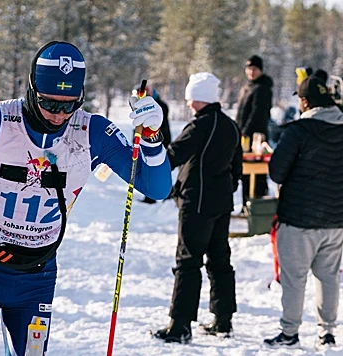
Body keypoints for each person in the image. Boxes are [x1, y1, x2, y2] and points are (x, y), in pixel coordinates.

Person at [0, 41, 172, 356]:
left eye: (69, 105)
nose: (58, 115)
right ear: (32, 89)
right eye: (49, 103)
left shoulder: (91, 132)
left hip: (36, 277)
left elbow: (157, 188)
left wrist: (152, 138)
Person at [264, 76, 343, 350]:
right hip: (337, 217)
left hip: (300, 218)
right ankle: (327, 332)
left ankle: (290, 333)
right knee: (329, 276)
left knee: (294, 278)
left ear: (305, 101)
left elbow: (276, 172)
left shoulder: (298, 131)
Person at [152, 72, 242, 344]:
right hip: (220, 203)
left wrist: (148, 161)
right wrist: (229, 188)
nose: (189, 103)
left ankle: (179, 325)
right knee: (219, 260)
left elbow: (173, 155)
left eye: (191, 98)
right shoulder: (229, 125)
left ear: (201, 99)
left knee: (188, 261)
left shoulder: (201, 125)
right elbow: (237, 166)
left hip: (197, 203)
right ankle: (223, 319)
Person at [235, 55, 273, 210]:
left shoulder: (262, 88)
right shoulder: (247, 87)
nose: (251, 72)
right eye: (249, 69)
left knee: (256, 174)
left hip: (255, 138)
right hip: (243, 136)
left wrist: (245, 132)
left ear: (260, 70)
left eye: (254, 69)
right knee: (245, 173)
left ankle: (257, 207)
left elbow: (258, 114)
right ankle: (246, 205)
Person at [133, 83, 172, 204]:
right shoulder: (142, 106)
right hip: (145, 140)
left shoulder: (160, 105)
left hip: (159, 139)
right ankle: (150, 195)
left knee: (157, 166)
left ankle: (154, 196)